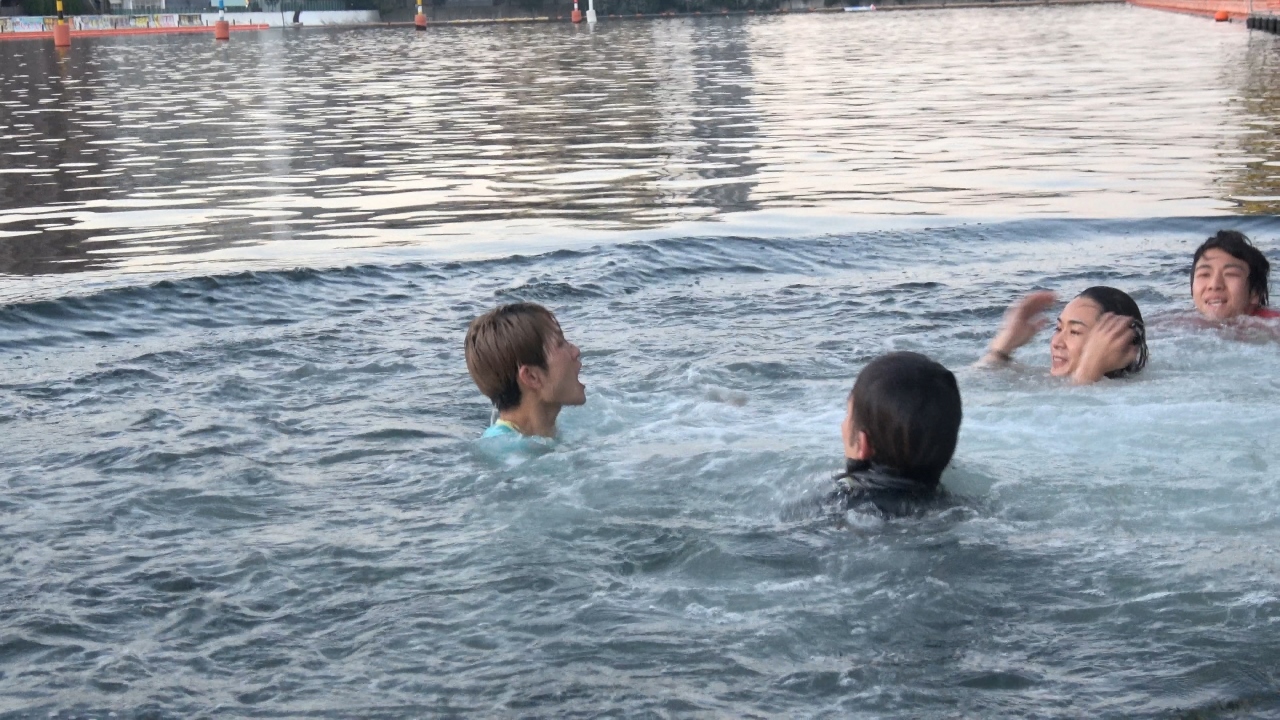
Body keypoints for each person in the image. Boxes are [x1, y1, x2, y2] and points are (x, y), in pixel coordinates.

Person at [823, 351, 962, 519]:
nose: (842, 424)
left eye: (848, 415)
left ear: (863, 444)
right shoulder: (958, 511)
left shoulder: (835, 507)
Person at [464, 302, 586, 439]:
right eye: (560, 344)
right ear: (532, 377)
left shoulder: (539, 435)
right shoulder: (504, 447)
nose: (576, 351)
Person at [982, 286, 1148, 385]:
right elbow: (980, 379)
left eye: (1074, 331)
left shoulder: (1128, 397)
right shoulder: (1046, 380)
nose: (1057, 342)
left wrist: (1088, 372)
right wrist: (1002, 349)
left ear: (1117, 340)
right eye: (1058, 328)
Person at [1190, 230, 1279, 321]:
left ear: (1255, 292)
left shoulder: (1272, 324)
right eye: (1204, 274)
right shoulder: (1185, 321)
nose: (1214, 285)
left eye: (1230, 274)